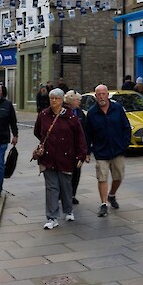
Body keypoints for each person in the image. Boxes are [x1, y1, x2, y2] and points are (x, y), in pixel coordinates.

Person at [35, 89, 88, 229]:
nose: (53, 101)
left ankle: (68, 210)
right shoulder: (44, 115)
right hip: (48, 157)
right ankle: (52, 218)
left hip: (66, 157)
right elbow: (38, 131)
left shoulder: (70, 117)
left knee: (65, 186)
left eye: (56, 98)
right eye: (51, 98)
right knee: (51, 187)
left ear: (61, 100)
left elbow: (80, 137)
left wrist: (81, 154)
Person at [84, 84, 131, 217]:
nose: (101, 97)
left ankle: (112, 195)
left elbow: (126, 127)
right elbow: (88, 134)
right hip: (101, 151)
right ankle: (103, 204)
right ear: (95, 96)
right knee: (102, 177)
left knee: (119, 176)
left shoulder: (117, 109)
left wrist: (125, 143)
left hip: (117, 149)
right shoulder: (92, 113)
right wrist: (87, 151)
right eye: (98, 94)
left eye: (103, 94)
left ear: (107, 95)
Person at [63, 90, 88, 205]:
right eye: (77, 99)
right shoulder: (63, 112)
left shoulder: (80, 113)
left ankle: (72, 194)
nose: (79, 102)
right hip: (65, 148)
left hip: (77, 148)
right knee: (65, 172)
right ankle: (63, 193)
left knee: (76, 172)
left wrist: (86, 150)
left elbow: (85, 131)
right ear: (71, 101)